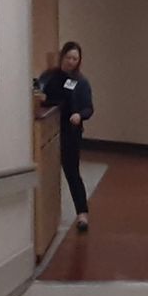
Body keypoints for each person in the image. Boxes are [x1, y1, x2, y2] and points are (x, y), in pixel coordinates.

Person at [37, 41, 94, 232]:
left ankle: (82, 213)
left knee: (72, 172)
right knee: (49, 174)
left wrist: (80, 115)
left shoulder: (81, 81)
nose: (71, 62)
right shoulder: (49, 76)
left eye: (75, 59)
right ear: (62, 57)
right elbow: (39, 93)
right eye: (69, 57)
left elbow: (88, 108)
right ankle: (48, 217)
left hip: (70, 132)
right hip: (49, 129)